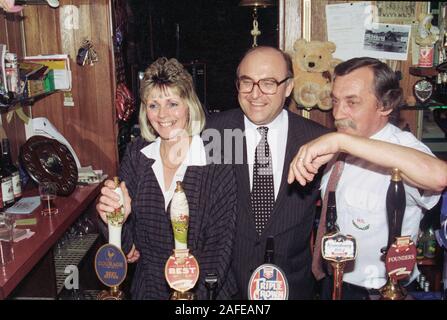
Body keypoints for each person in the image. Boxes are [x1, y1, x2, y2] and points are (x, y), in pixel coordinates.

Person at [288, 57, 447, 299]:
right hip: (333, 283)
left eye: (352, 102)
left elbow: (439, 177)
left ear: (385, 105)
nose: (338, 113)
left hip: (378, 292)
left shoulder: (402, 148)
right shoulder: (343, 142)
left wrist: (341, 140)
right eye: (335, 101)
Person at [96, 57, 237, 300]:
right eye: (153, 105)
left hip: (202, 292)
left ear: (189, 106)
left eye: (172, 103)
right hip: (148, 289)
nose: (163, 115)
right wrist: (114, 218)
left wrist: (192, 297)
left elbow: (219, 249)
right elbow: (127, 246)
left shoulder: (217, 163)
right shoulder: (137, 155)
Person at [205, 46, 330, 299]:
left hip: (292, 288)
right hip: (227, 290)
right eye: (247, 82)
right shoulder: (214, 133)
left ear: (288, 87)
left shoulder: (318, 141)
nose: (255, 93)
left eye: (269, 83)